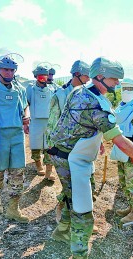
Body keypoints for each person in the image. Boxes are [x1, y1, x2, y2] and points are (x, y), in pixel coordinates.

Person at [48, 57, 133, 259]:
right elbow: (119, 140)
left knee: (71, 197)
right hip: (71, 159)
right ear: (99, 77)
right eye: (114, 79)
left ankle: (61, 232)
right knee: (83, 209)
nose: (117, 83)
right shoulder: (93, 102)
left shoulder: (79, 91)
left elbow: (79, 125)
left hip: (66, 154)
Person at [0, 51, 30, 223]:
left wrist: (26, 117)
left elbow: (25, 106)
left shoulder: (20, 88)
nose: (9, 73)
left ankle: (13, 208)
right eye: (6, 70)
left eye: (12, 70)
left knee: (18, 171)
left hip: (16, 135)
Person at [46, 60, 90, 222]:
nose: (88, 79)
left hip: (83, 146)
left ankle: (67, 210)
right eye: (86, 76)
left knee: (81, 181)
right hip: (65, 147)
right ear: (77, 74)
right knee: (70, 183)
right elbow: (52, 121)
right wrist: (51, 145)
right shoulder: (60, 95)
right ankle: (68, 215)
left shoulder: (88, 93)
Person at [110, 78, 133, 223]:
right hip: (120, 145)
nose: (126, 91)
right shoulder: (120, 106)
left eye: (129, 88)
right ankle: (131, 207)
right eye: (124, 88)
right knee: (124, 180)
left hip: (131, 147)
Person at [25, 65, 55, 180]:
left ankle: (48, 172)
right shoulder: (30, 89)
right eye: (40, 76)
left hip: (48, 122)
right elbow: (26, 103)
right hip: (35, 122)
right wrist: (26, 121)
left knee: (49, 147)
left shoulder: (52, 89)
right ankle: (38, 166)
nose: (43, 78)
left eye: (45, 76)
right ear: (36, 76)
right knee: (36, 146)